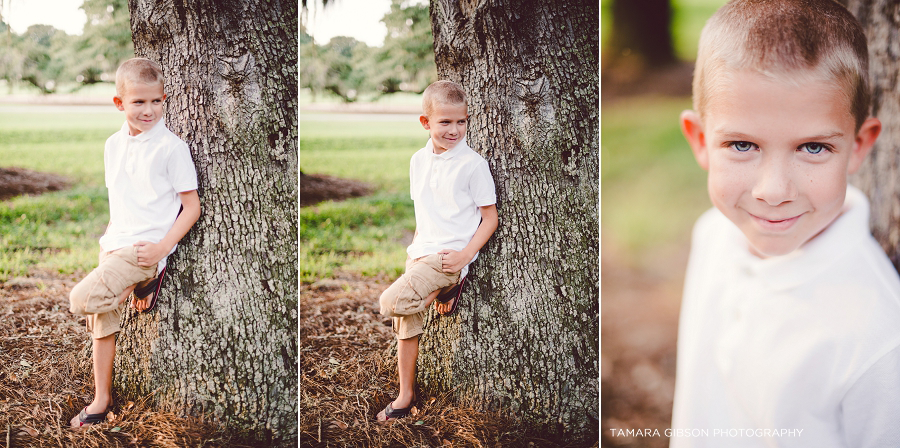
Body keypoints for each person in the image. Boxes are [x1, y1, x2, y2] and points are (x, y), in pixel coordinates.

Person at [670, 0, 900, 446]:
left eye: (813, 148)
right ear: (700, 140)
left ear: (858, 145)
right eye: (742, 145)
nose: (773, 190)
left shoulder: (878, 339)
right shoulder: (713, 236)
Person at [67, 58, 201, 428]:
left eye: (156, 101)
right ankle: (101, 400)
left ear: (164, 99)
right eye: (139, 102)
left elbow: (191, 207)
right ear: (119, 103)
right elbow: (120, 200)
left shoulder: (172, 148)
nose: (149, 110)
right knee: (102, 325)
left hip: (144, 251)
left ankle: (145, 278)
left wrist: (160, 251)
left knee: (80, 299)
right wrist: (108, 243)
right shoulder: (112, 145)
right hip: (113, 245)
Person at [375, 80, 498, 422]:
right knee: (405, 322)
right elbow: (424, 213)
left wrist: (463, 257)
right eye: (445, 122)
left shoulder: (473, 165)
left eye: (461, 121)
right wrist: (414, 255)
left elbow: (490, 219)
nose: (455, 130)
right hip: (420, 254)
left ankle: (448, 285)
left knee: (390, 303)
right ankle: (404, 396)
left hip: (448, 259)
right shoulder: (417, 161)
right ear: (426, 123)